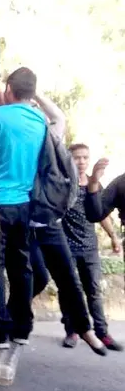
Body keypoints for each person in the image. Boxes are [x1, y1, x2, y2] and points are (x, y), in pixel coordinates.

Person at [23, 99, 108, 355]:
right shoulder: (20, 146)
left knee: (69, 278)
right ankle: (12, 317)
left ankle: (85, 329)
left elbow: (58, 116)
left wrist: (35, 94)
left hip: (50, 223)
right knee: (36, 276)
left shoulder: (51, 143)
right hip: (26, 225)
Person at [0, 67, 44, 347]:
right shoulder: (39, 119)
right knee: (20, 265)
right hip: (22, 204)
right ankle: (23, 328)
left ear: (10, 89)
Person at [60, 143, 123, 351]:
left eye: (85, 158)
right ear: (69, 158)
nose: (82, 162)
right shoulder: (61, 182)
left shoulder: (94, 185)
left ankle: (102, 333)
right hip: (66, 247)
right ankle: (72, 331)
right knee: (69, 291)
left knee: (94, 291)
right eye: (77, 157)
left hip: (89, 247)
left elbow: (102, 213)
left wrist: (113, 236)